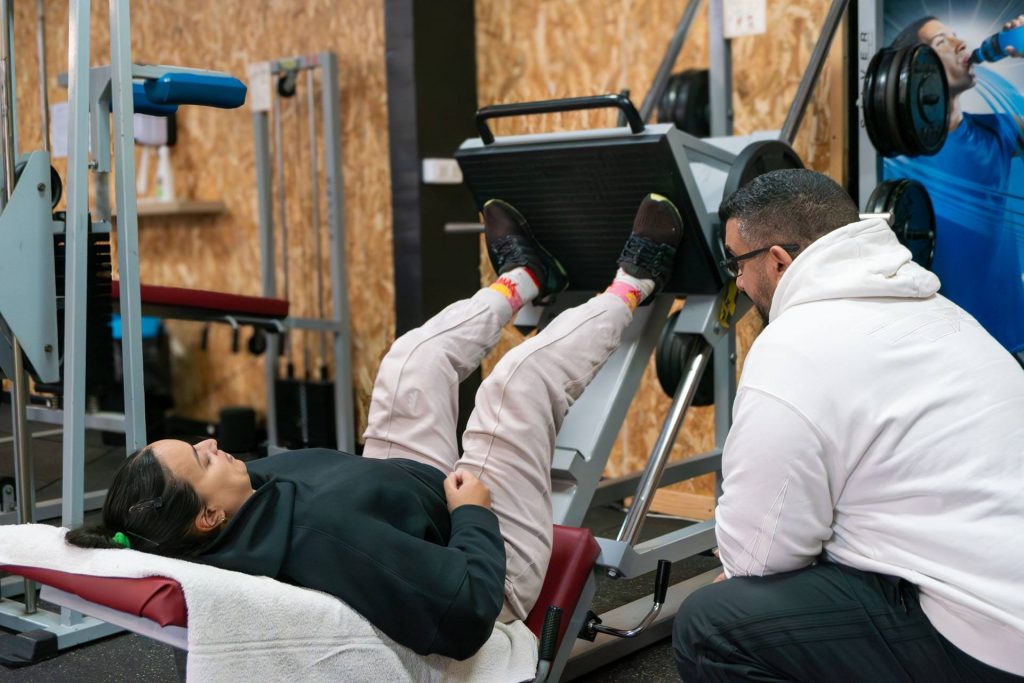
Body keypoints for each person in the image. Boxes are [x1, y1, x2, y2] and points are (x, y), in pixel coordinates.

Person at [66, 193, 684, 661]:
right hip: (481, 561)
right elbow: (464, 615)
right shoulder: (324, 543)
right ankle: (635, 287)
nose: (210, 443)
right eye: (200, 459)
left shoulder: (224, 512)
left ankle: (525, 278)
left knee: (409, 363)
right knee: (514, 386)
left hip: (399, 494)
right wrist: (471, 512)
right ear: (207, 518)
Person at [672, 168, 1024, 681]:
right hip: (1004, 596)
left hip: (990, 642)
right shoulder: (948, 315)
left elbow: (755, 559)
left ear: (778, 261)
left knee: (711, 622)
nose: (740, 282)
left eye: (737, 264)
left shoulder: (794, 344)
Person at [887, 14, 1024, 355]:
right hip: (944, 351)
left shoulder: (999, 130)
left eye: (956, 36)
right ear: (917, 70)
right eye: (942, 42)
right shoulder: (895, 156)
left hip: (1012, 339)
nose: (961, 44)